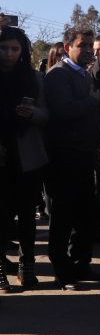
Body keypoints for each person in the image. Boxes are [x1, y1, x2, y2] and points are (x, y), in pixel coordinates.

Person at [43, 27, 100, 291]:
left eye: (91, 45)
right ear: (68, 47)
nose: (89, 50)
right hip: (63, 157)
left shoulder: (84, 74)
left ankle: (81, 264)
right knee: (63, 216)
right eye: (83, 45)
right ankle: (62, 271)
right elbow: (63, 110)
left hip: (83, 156)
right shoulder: (58, 75)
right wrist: (91, 101)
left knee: (85, 214)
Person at [0, 27, 48, 291]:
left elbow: (47, 114)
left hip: (27, 157)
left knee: (28, 215)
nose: (9, 54)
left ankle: (26, 265)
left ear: (23, 51)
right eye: (4, 48)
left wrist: (32, 114)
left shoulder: (34, 78)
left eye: (15, 49)